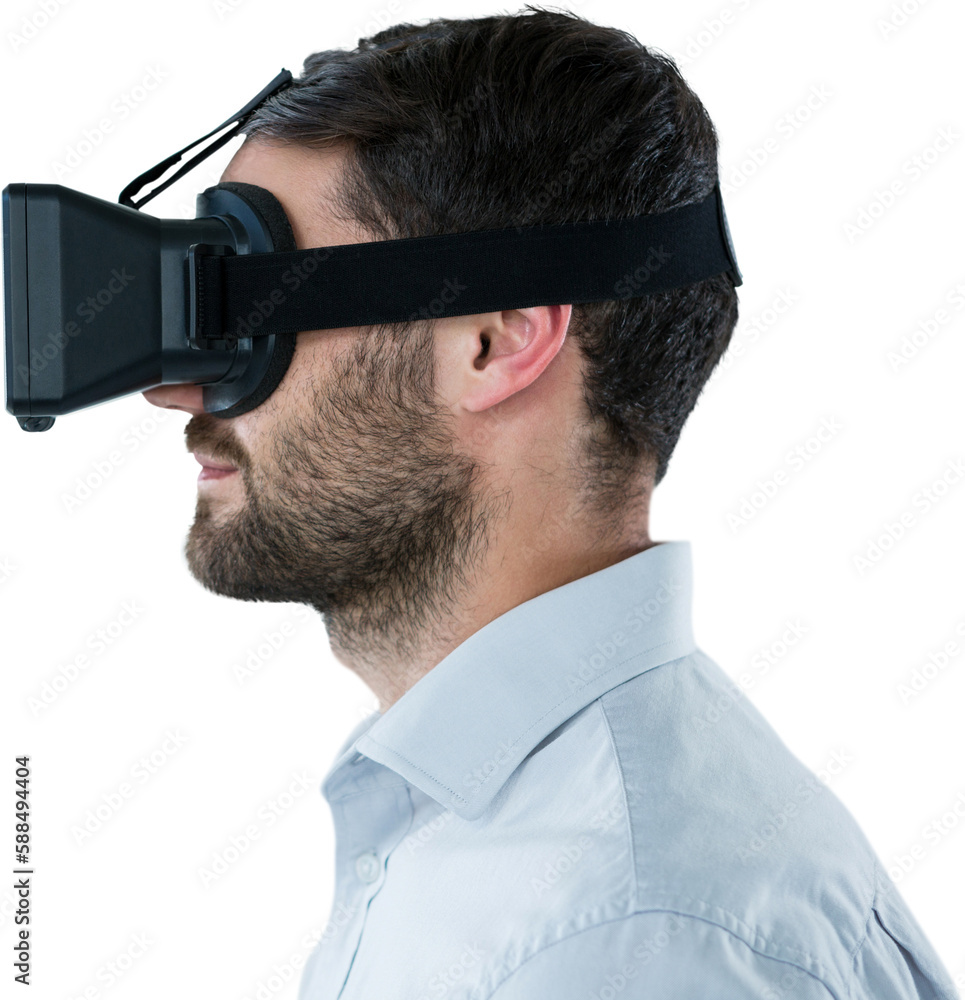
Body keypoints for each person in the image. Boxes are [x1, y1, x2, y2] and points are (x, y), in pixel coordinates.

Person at [143, 8, 957, 998]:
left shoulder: (619, 934)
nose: (179, 392)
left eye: (250, 317)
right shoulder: (496, 831)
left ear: (493, 342)